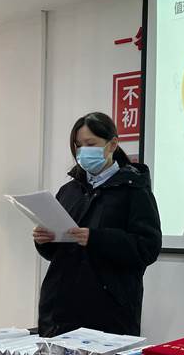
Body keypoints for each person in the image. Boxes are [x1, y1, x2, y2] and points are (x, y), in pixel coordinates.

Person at [33, 112, 161, 337]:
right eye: (78, 145)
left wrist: (96, 238)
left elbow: (147, 247)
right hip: (60, 310)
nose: (83, 151)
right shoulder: (69, 190)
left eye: (90, 144)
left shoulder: (134, 190)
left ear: (112, 144)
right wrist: (45, 240)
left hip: (109, 312)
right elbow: (56, 253)